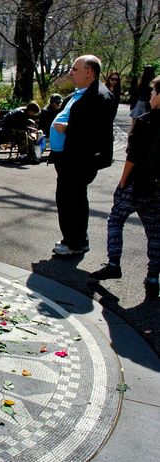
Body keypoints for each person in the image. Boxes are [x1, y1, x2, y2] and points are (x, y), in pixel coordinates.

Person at [90, 77, 160, 300]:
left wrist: (122, 183)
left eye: (153, 93)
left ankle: (113, 263)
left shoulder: (145, 121)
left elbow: (133, 157)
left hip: (137, 184)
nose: (150, 97)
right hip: (157, 188)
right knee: (155, 232)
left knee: (116, 218)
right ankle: (152, 277)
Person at [50, 54, 115, 256]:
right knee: (69, 198)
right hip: (67, 158)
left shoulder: (100, 96)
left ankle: (74, 243)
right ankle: (75, 238)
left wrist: (68, 128)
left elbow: (96, 131)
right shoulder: (82, 92)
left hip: (79, 160)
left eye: (75, 69)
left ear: (89, 72)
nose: (71, 73)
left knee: (72, 200)